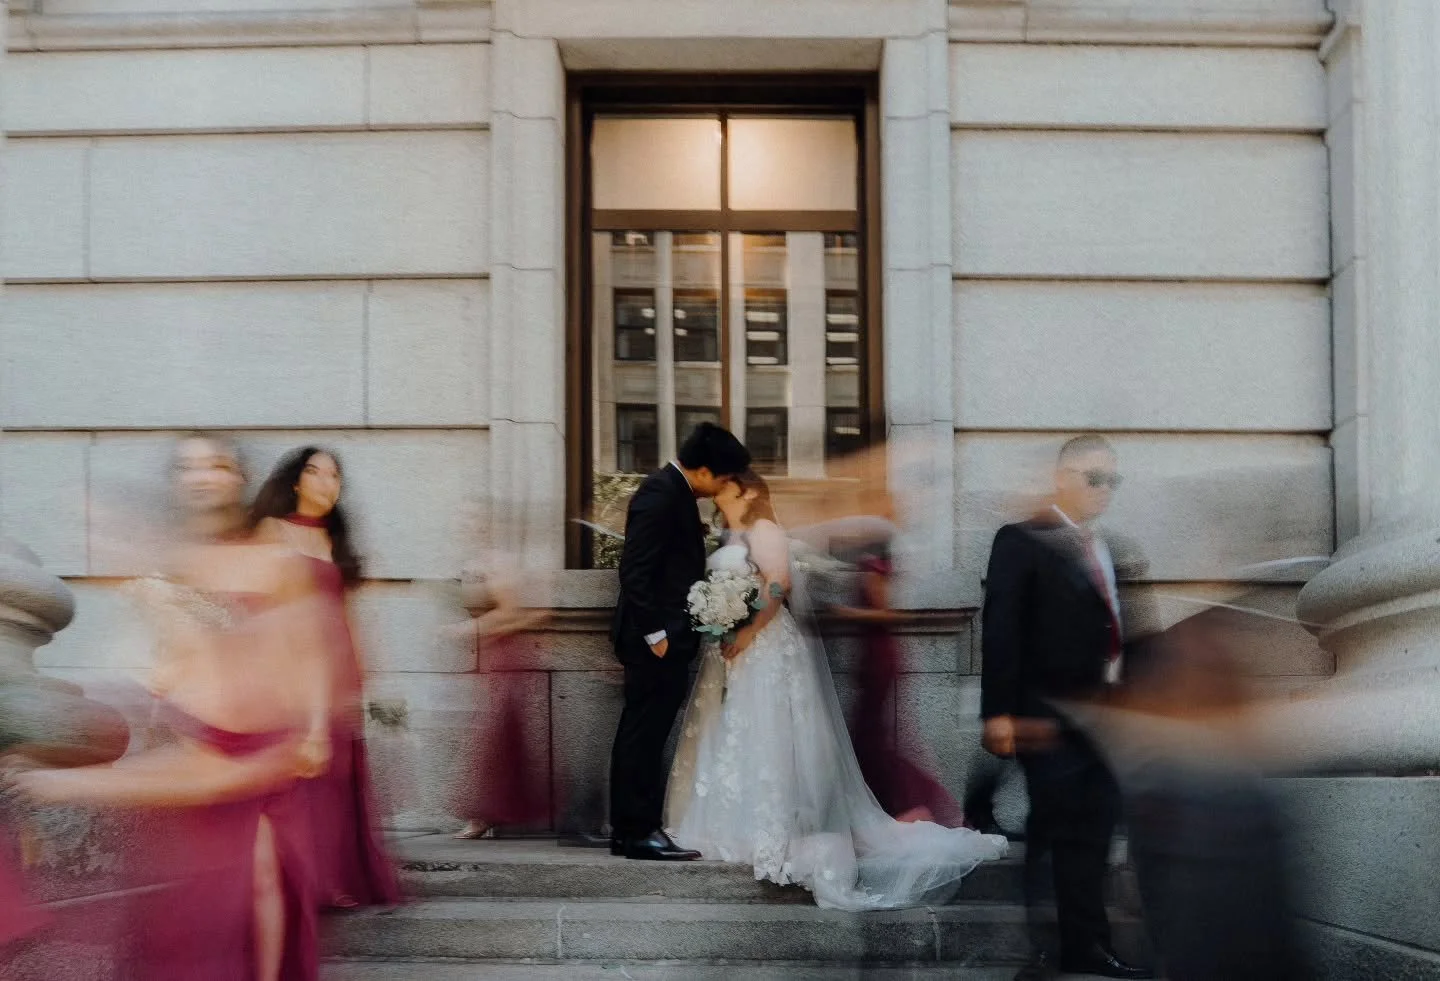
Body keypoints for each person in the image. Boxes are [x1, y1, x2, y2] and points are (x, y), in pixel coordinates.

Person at [12, 434, 331, 981]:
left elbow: (310, 652)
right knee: (193, 901)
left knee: (260, 880)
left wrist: (316, 729)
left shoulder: (279, 561)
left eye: (216, 464)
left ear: (238, 478)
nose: (201, 476)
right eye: (188, 467)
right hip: (203, 732)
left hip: (254, 738)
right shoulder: (170, 569)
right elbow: (170, 658)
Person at [665, 470, 1007, 909]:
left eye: (727, 489)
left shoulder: (766, 529)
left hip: (765, 647)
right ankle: (732, 823)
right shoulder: (733, 535)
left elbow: (778, 585)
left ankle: (773, 827)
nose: (718, 497)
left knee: (766, 730)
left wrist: (747, 631)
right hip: (738, 653)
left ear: (747, 492)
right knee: (738, 731)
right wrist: (721, 618)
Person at [980, 434, 1153, 980]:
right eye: (1094, 477)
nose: (1105, 489)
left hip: (1105, 717)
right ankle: (1046, 952)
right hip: (1046, 716)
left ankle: (1090, 947)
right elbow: (1002, 627)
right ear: (1062, 477)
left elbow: (1123, 632)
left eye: (1113, 479)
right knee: (1055, 833)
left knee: (1096, 834)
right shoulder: (1021, 540)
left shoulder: (1110, 546)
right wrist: (999, 711)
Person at [251, 446, 400, 910]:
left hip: (338, 665)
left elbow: (346, 613)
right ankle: (296, 876)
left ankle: (333, 879)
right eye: (315, 472)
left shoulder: (337, 541)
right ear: (296, 481)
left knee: (337, 774)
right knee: (297, 768)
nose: (326, 482)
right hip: (288, 662)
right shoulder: (270, 531)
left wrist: (365, 671)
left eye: (334, 475)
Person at [608, 422, 752, 861]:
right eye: (724, 478)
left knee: (645, 733)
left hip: (665, 638)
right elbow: (635, 571)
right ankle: (637, 832)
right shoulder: (659, 493)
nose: (725, 486)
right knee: (643, 735)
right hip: (654, 641)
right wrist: (657, 636)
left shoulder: (672, 491)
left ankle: (631, 829)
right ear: (705, 470)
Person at [450, 536, 550, 840]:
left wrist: (467, 629)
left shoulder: (498, 560)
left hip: (503, 656)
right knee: (497, 737)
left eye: (469, 520)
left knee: (491, 736)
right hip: (496, 655)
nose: (463, 525)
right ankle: (495, 812)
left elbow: (510, 611)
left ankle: (483, 814)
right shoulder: (483, 559)